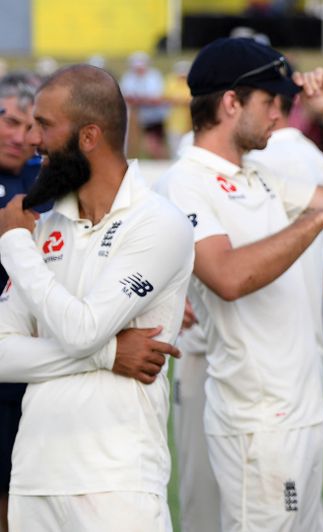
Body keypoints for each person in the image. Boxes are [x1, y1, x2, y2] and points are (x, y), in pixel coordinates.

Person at [157, 37, 323, 532]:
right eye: (271, 101)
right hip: (258, 421)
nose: (282, 114)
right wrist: (315, 222)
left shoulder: (259, 174)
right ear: (231, 102)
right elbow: (227, 276)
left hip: (298, 408)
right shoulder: (186, 180)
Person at [0, 64, 194, 531]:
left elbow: (82, 328)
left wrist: (13, 244)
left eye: (44, 125)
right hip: (33, 479)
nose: (32, 140)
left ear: (89, 136)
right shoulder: (46, 226)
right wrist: (108, 354)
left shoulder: (158, 223)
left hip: (117, 481)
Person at [0, 73, 44, 532]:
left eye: (29, 126)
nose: (20, 137)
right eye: (9, 121)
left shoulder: (48, 180)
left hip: (38, 369)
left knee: (29, 496)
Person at [120, 52, 169, 159]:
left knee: (154, 144)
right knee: (144, 144)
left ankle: (161, 161)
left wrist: (140, 100)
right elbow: (126, 96)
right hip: (138, 117)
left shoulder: (154, 76)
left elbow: (156, 98)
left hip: (154, 116)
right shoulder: (129, 77)